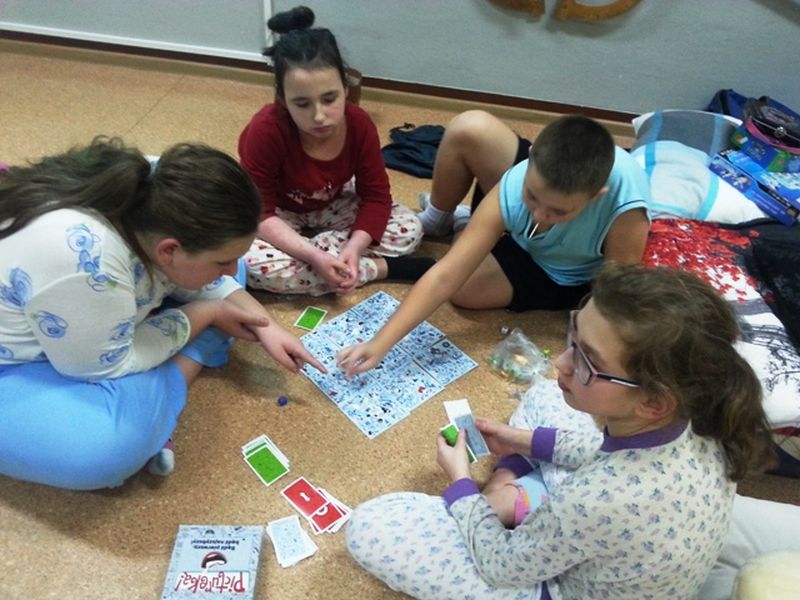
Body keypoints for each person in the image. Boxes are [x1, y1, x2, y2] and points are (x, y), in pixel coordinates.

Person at [346, 264, 774, 599]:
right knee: (549, 394)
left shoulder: (595, 498)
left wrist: (460, 483)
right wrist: (521, 442)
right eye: (574, 335)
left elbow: (501, 564)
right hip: (626, 521)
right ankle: (510, 486)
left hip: (563, 584)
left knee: (373, 526)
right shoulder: (703, 416)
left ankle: (506, 495)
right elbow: (606, 451)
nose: (561, 362)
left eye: (588, 361)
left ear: (654, 402)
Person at [0, 137, 325, 491]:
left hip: (85, 311)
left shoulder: (156, 185)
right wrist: (208, 314)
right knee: (107, 449)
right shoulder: (86, 264)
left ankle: (163, 388)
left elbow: (219, 277)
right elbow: (101, 366)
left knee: (230, 277)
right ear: (168, 251)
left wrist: (267, 325)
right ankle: (179, 374)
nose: (230, 269)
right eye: (222, 262)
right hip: (26, 363)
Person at [336, 111, 651, 377]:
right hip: (526, 240)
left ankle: (469, 225)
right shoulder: (515, 181)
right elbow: (445, 275)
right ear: (530, 159)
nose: (539, 215)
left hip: (567, 275)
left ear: (597, 196)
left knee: (466, 290)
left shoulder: (626, 207)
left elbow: (613, 292)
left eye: (558, 212)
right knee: (471, 129)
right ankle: (462, 222)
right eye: (532, 196)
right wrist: (379, 343)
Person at [238, 5, 430, 297]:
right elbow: (259, 212)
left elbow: (376, 196)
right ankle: (377, 268)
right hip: (278, 212)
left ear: (345, 88)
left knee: (409, 228)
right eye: (302, 104)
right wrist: (315, 255)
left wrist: (354, 248)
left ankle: (337, 265)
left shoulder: (359, 124)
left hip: (333, 200)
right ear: (283, 100)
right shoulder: (266, 129)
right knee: (246, 263)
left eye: (330, 99)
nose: (319, 116)